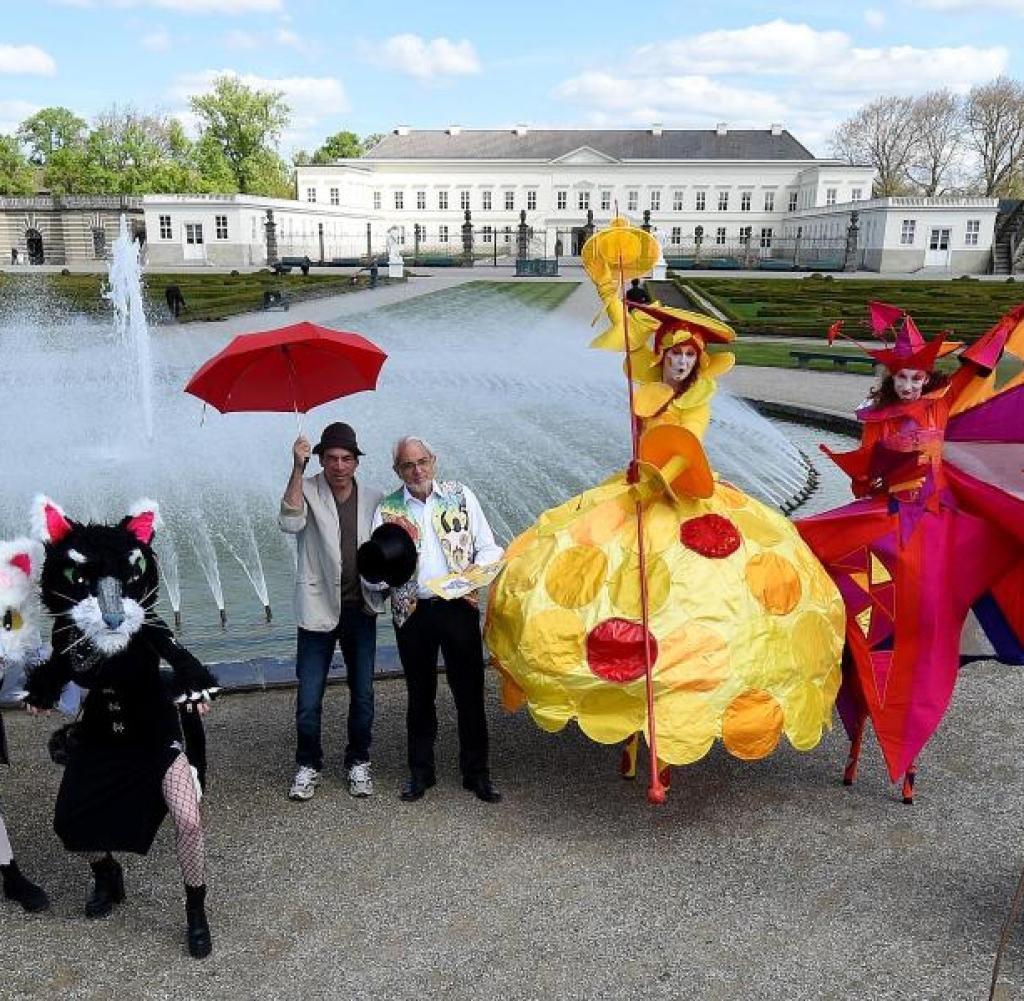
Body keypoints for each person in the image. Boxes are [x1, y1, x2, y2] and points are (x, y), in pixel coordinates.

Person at [485, 219, 845, 800]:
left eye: (687, 358)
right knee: (617, 594)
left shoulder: (696, 402)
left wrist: (658, 475)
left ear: (698, 365)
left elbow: (684, 450)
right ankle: (632, 731)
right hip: (636, 491)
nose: (679, 365)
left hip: (681, 493)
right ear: (664, 358)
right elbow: (628, 336)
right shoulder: (645, 383)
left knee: (688, 609)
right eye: (673, 356)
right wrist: (611, 288)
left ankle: (669, 729)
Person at [798, 302, 1024, 803]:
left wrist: (1008, 326)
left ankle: (903, 744)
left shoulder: (942, 406)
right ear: (890, 379)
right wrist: (866, 465)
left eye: (917, 377)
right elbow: (865, 483)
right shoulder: (877, 419)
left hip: (939, 530)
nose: (909, 385)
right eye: (901, 378)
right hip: (891, 520)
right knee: (811, 553)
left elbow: (979, 372)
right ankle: (858, 729)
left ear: (926, 379)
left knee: (925, 632)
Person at [24, 497, 217, 959]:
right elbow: (60, 668)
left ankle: (195, 909)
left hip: (154, 734)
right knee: (69, 824)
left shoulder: (143, 622)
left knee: (189, 819)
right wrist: (42, 693)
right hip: (100, 737)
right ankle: (106, 873)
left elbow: (182, 659)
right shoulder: (69, 630)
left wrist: (195, 686)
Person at [372, 436, 504, 804]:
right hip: (412, 611)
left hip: (458, 606)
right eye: (408, 465)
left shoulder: (460, 495)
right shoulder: (387, 509)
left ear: (434, 461)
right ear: (397, 470)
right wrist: (381, 574)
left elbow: (490, 547)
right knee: (419, 694)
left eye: (422, 462)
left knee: (470, 693)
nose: (417, 471)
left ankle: (477, 773)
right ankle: (420, 773)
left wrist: (475, 575)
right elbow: (373, 569)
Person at [279, 422, 384, 801]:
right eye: (331, 459)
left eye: (346, 459)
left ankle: (359, 761)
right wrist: (297, 467)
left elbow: (389, 547)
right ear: (321, 460)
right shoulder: (306, 489)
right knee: (309, 698)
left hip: (361, 609)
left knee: (364, 694)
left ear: (356, 462)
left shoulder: (375, 498)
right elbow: (289, 523)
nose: (339, 466)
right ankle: (308, 764)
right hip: (317, 608)